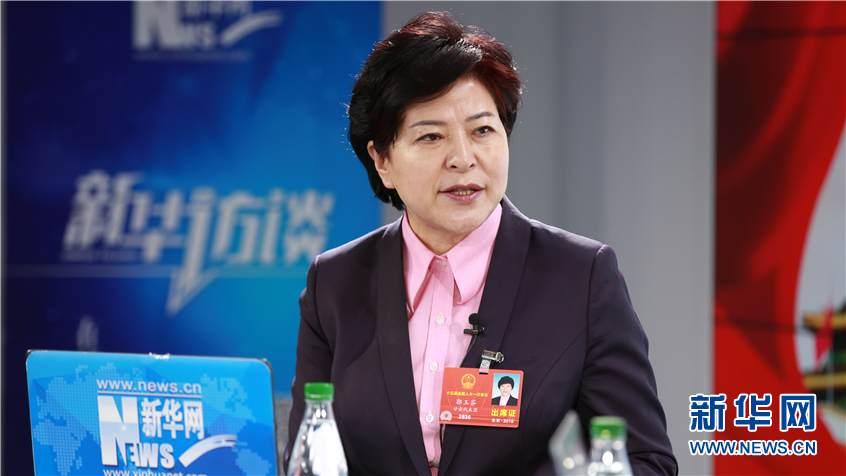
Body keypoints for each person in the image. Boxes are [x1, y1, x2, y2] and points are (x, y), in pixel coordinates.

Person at [285, 11, 677, 476]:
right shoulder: (335, 282)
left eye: (482, 130)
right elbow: (308, 459)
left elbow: (646, 461)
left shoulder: (581, 277)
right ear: (382, 159)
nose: (463, 158)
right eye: (431, 136)